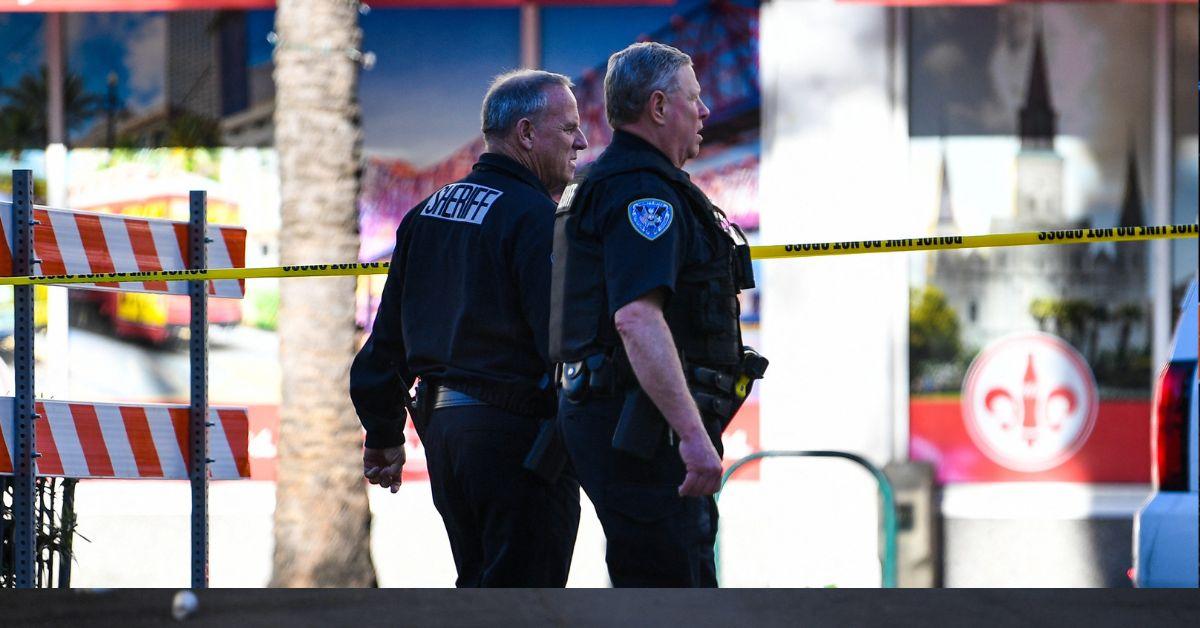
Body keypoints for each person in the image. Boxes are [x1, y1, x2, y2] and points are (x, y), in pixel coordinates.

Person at [350, 69, 588, 587]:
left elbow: (385, 344)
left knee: (479, 588)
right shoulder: (535, 218)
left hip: (447, 438)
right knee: (526, 602)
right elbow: (565, 340)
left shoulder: (424, 215)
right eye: (569, 128)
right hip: (517, 439)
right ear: (526, 134)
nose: (583, 141)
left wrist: (385, 435)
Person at [549, 42, 763, 587]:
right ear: (660, 107)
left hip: (631, 421)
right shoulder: (644, 195)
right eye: (695, 98)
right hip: (645, 431)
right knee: (667, 586)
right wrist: (691, 436)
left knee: (670, 574)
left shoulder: (614, 182)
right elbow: (637, 319)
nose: (706, 111)